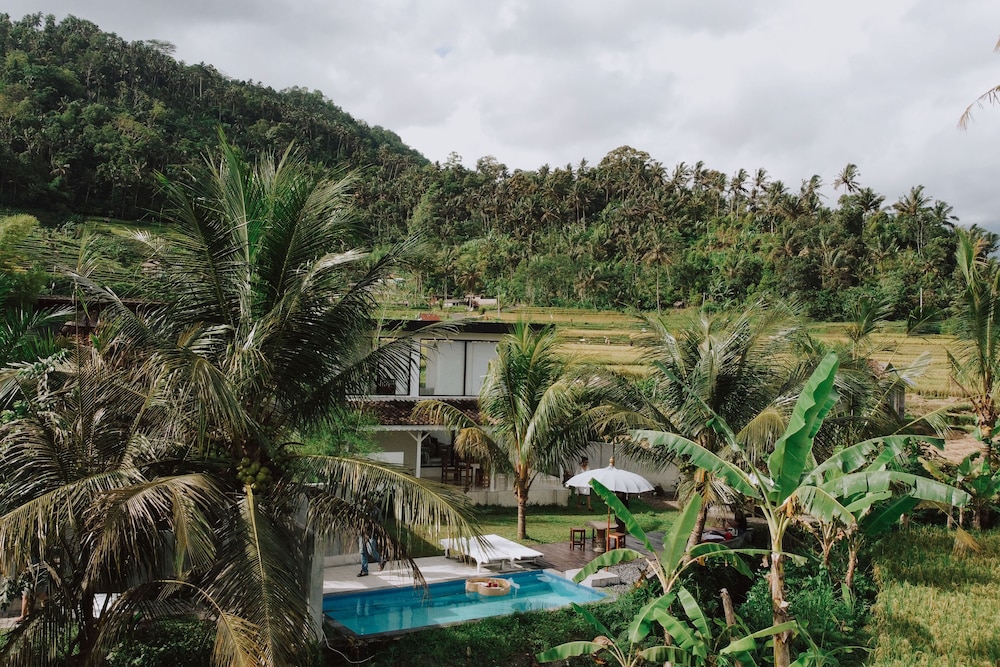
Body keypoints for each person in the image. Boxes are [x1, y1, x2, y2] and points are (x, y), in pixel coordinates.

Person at [358, 505, 386, 577]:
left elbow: (380, 523)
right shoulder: (361, 509)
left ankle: (381, 560)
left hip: (371, 534)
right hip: (362, 533)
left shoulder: (376, 511)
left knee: (371, 551)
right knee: (362, 551)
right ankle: (364, 570)